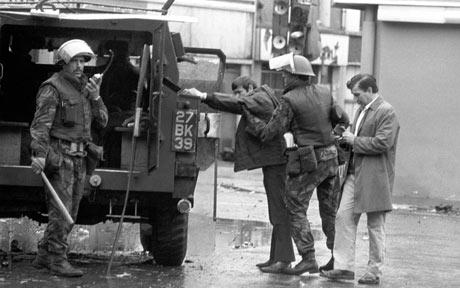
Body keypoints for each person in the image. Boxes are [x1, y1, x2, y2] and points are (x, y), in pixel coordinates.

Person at [243, 53, 349, 275]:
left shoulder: (289, 100)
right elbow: (343, 120)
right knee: (330, 212)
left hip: (308, 161)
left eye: (285, 74)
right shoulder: (325, 92)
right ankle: (338, 260)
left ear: (294, 76)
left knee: (295, 207)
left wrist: (251, 119)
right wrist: (333, 136)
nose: (282, 77)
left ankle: (308, 257)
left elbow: (271, 132)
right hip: (331, 159)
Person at [180, 76, 295, 273]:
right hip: (274, 162)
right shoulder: (262, 97)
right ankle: (276, 257)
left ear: (250, 87)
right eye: (235, 93)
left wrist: (203, 96)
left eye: (239, 92)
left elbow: (236, 104)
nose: (237, 96)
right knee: (276, 211)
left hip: (276, 163)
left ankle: (283, 260)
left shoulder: (259, 97)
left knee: (279, 211)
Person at [29, 39, 108, 277]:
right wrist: (39, 155)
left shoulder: (86, 88)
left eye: (82, 61)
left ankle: (44, 254)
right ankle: (57, 260)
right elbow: (40, 125)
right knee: (61, 212)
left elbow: (103, 121)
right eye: (74, 61)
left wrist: (96, 98)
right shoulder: (52, 88)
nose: (79, 66)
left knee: (71, 212)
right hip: (60, 157)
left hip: (80, 158)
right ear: (63, 62)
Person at [321, 74, 399, 285]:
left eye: (357, 94)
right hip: (355, 174)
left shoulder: (386, 111)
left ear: (370, 90)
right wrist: (345, 139)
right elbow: (362, 141)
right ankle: (343, 267)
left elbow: (383, 143)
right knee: (343, 217)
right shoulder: (362, 110)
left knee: (375, 226)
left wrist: (354, 140)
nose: (355, 99)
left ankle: (373, 272)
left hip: (375, 176)